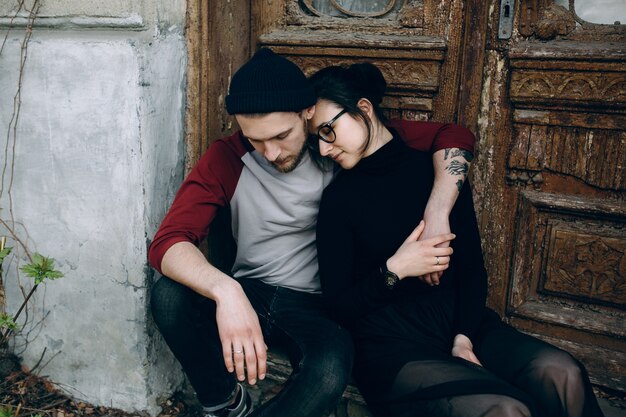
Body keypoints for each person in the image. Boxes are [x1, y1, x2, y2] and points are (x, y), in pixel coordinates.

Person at [147, 48, 475, 417]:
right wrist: (226, 291)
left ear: (307, 112)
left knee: (330, 370)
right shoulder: (226, 157)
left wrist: (437, 211)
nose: (269, 153)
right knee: (169, 296)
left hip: (317, 304)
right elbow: (168, 243)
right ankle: (224, 403)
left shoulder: (338, 142)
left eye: (282, 135)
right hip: (250, 288)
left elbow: (453, 135)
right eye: (255, 140)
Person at [310, 62, 605, 417]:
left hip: (459, 319)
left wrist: (463, 338)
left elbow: (472, 270)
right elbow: (338, 306)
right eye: (316, 138)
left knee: (562, 373)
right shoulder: (338, 200)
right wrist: (395, 269)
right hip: (388, 341)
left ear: (364, 109)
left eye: (327, 130)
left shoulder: (438, 175)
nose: (324, 149)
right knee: (503, 410)